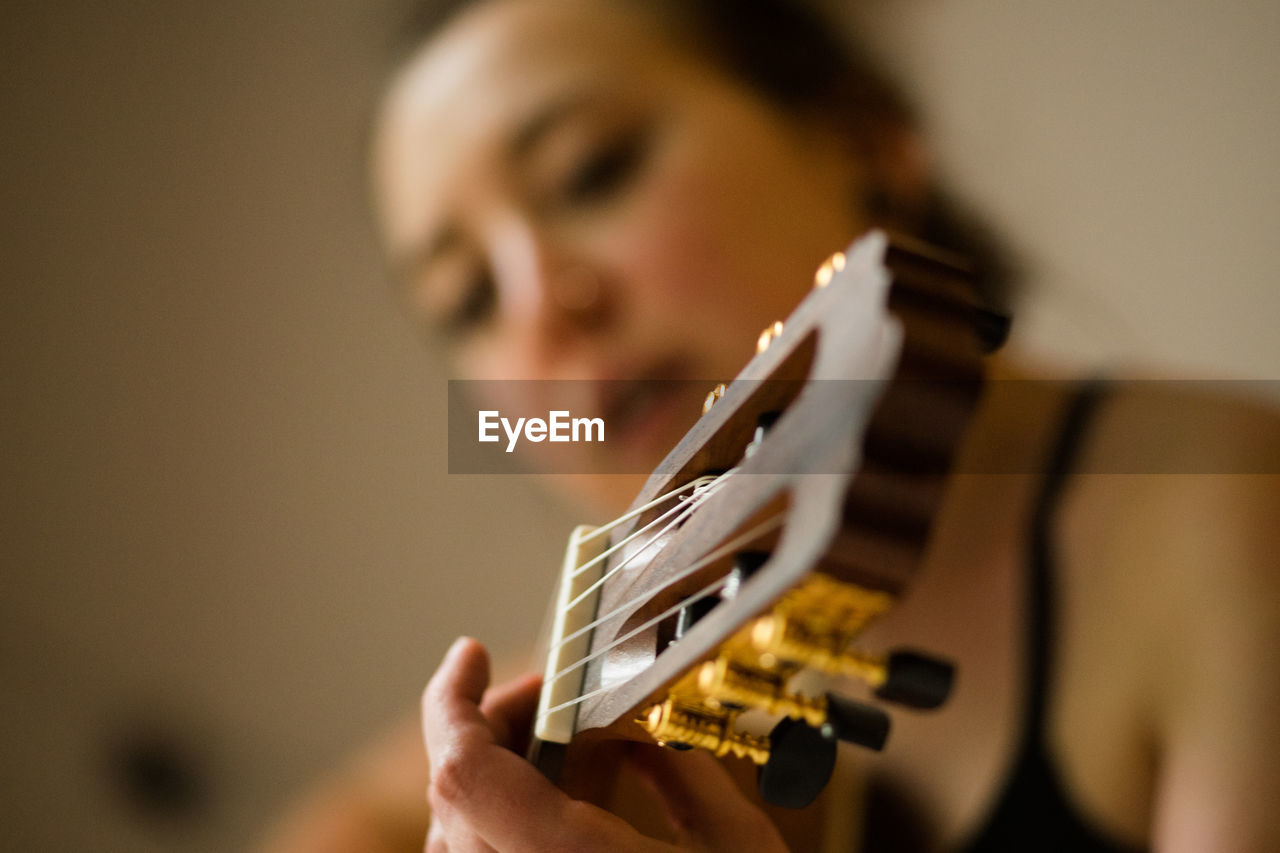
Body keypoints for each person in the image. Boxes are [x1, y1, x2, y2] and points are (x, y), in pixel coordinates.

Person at [259, 0, 1280, 850]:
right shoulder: (564, 709)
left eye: (590, 171)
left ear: (864, 141)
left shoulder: (1223, 508)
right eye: (465, 297)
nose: (537, 306)